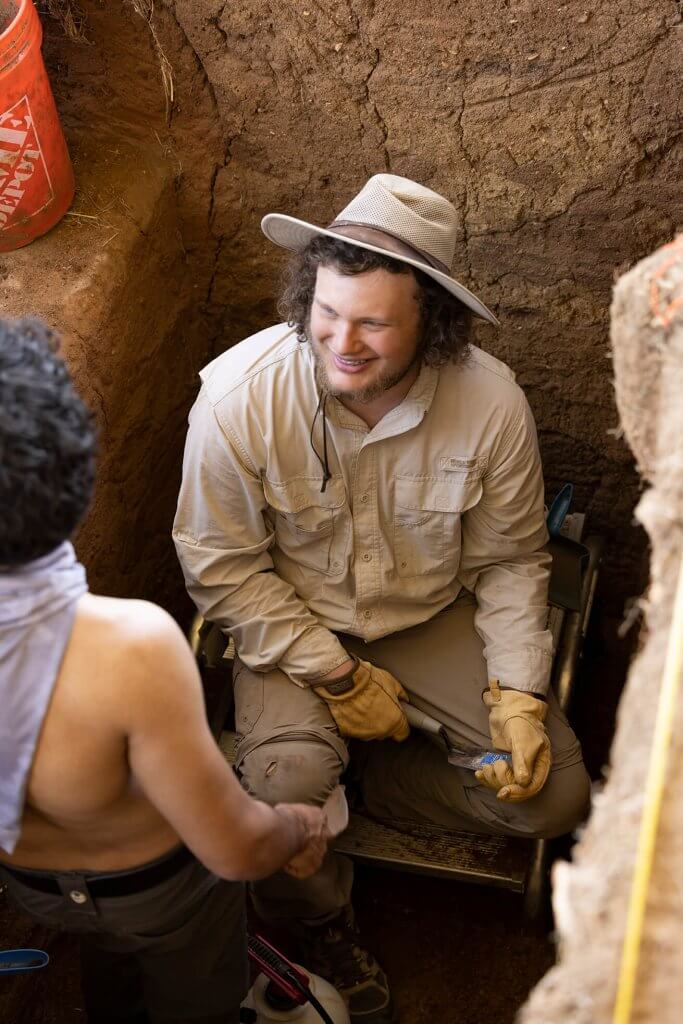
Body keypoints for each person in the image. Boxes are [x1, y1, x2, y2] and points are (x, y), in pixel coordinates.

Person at [173, 174, 591, 1024]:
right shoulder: (237, 400)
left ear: (431, 324)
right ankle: (319, 918)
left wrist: (516, 693)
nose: (342, 341)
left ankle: (369, 784)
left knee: (554, 796)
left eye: (372, 322)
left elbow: (513, 559)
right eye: (327, 313)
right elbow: (219, 568)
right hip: (298, 624)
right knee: (287, 790)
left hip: (430, 617)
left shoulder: (491, 405)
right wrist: (332, 677)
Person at [0, 317, 331, 1024]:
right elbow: (237, 849)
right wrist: (296, 827)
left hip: (31, 886)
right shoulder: (128, 649)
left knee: (107, 964)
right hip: (161, 893)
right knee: (194, 992)